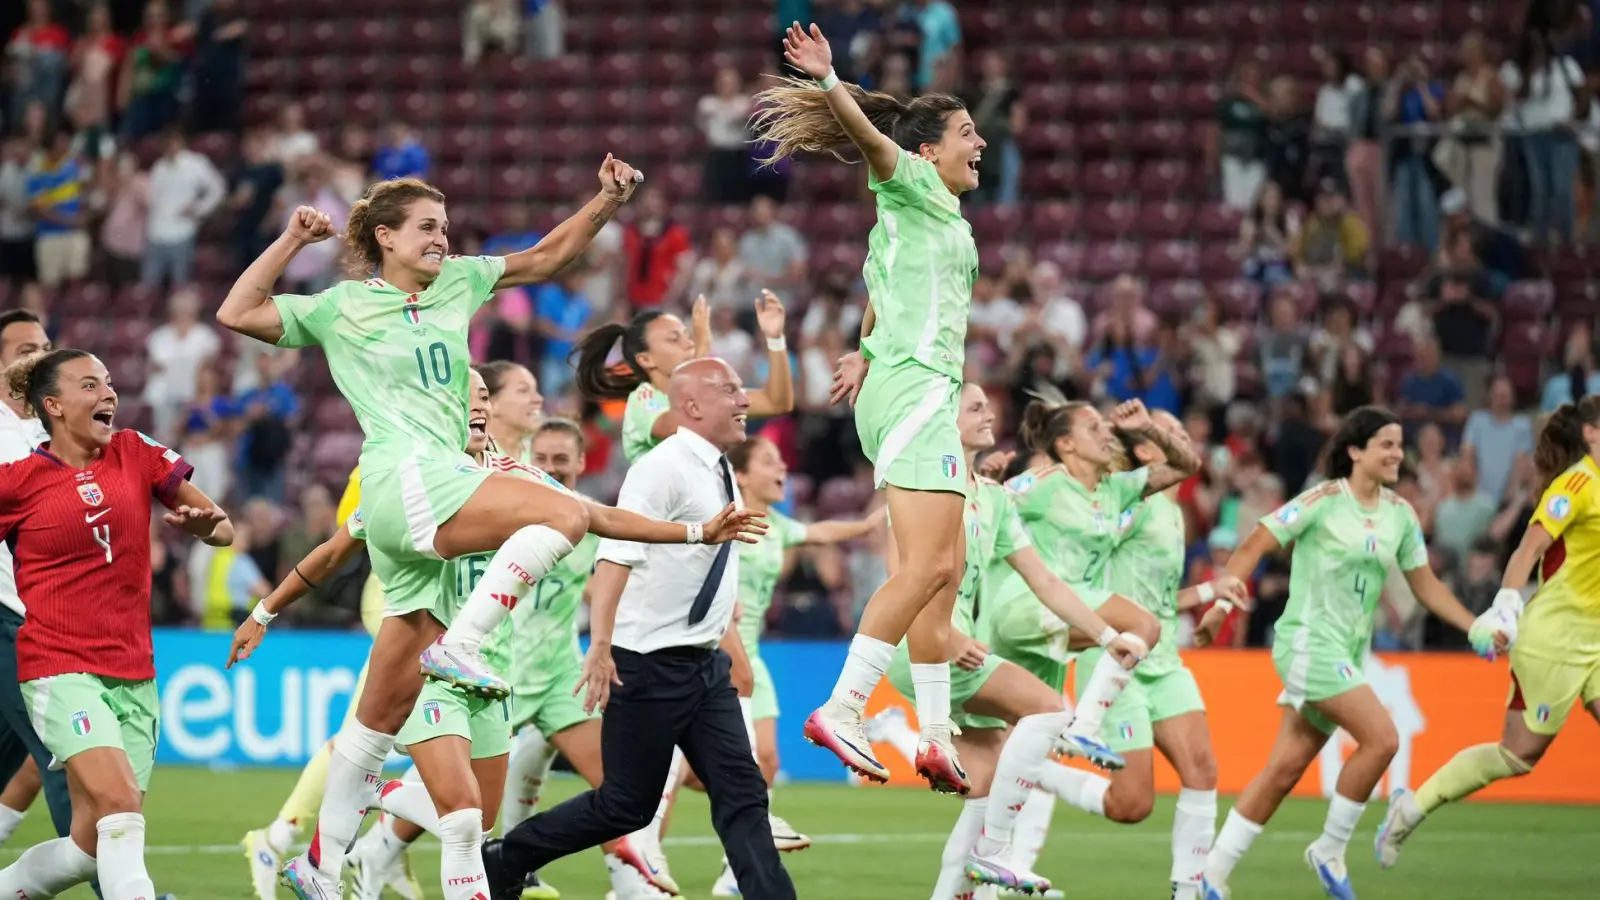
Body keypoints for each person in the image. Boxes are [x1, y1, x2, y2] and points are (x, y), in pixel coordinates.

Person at [211, 159, 752, 899]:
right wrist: (292, 241)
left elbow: (547, 256)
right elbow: (238, 312)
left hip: (435, 505)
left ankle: (320, 861)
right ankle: (461, 647)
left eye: (445, 225)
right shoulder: (342, 306)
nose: (443, 238)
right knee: (561, 510)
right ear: (384, 237)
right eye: (427, 227)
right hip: (404, 478)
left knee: (380, 715)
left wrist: (606, 199)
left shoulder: (459, 282)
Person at [231, 370, 764, 900]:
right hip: (427, 667)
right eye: (466, 397)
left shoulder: (516, 482)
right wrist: (263, 612)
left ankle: (370, 792)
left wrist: (696, 532)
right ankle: (356, 811)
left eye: (484, 396)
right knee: (462, 821)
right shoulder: (409, 485)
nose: (478, 406)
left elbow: (597, 515)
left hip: (490, 671)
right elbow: (330, 555)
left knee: (479, 820)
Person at [750, 21, 986, 790]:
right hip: (915, 390)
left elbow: (885, 293)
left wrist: (862, 348)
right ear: (929, 150)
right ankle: (843, 708)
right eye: (967, 132)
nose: (980, 143)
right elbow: (873, 143)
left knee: (943, 569)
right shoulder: (909, 181)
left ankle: (936, 735)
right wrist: (828, 80)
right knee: (926, 567)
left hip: (913, 384)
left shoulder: (933, 219)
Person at [482, 359, 798, 900]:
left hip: (704, 665)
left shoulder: (718, 466)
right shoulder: (661, 468)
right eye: (729, 390)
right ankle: (505, 859)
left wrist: (726, 627)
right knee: (626, 806)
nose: (744, 399)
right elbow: (615, 556)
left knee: (744, 795)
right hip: (649, 666)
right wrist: (601, 645)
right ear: (692, 405)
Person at [1193, 406, 1506, 900]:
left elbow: (1424, 584)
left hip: (1347, 654)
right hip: (1307, 643)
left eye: (1400, 445)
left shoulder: (1400, 515)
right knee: (1382, 738)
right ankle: (1330, 849)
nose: (1397, 454)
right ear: (1356, 450)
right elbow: (1254, 544)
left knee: (1283, 770)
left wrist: (1474, 626)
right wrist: (1221, 603)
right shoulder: (1322, 500)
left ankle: (1209, 875)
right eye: (1386, 444)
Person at [875, 384, 1151, 895]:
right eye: (975, 407)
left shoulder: (994, 497)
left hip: (956, 647)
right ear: (945, 421)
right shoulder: (921, 486)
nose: (990, 413)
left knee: (983, 788)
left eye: (988, 405)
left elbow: (1044, 580)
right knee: (1048, 709)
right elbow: (901, 578)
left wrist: (1105, 634)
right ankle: (997, 850)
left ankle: (963, 879)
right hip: (925, 644)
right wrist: (947, 635)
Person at [0, 348, 234, 900]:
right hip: (58, 669)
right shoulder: (17, 482)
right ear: (54, 406)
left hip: (134, 674)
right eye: (89, 385)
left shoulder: (136, 451)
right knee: (121, 804)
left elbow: (223, 529)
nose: (108, 393)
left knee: (89, 845)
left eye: (108, 382)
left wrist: (205, 527)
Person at [1027, 410, 1242, 900]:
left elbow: (1157, 605)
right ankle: (1033, 767)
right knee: (1133, 805)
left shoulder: (1172, 511)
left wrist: (1207, 592)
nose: (1181, 438)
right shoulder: (1130, 505)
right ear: (1146, 450)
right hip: (1116, 660)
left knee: (1203, 770)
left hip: (1163, 659)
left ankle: (1189, 891)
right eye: (1171, 433)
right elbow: (1085, 562)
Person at [1375, 398, 1597, 867]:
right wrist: (1506, 607)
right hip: (1555, 641)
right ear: (1591, 434)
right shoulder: (1577, 485)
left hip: (1596, 641)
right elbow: (1527, 550)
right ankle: (1410, 810)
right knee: (1517, 755)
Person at [705, 434, 886, 895]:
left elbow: (820, 533)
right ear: (741, 476)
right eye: (769, 461)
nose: (781, 468)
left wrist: (868, 523)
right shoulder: (723, 519)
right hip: (716, 650)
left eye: (782, 461)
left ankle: (735, 866)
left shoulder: (778, 525)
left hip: (753, 656)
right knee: (715, 768)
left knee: (767, 759)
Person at [0, 311, 74, 854]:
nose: (40, 357)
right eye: (26, 349)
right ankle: (117, 887)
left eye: (45, 347)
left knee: (28, 755)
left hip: (41, 617)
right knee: (66, 753)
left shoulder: (46, 431)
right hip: (11, 619)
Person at [573, 291, 793, 464]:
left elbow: (776, 402)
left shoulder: (708, 396)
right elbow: (679, 425)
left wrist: (775, 340)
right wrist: (701, 355)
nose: (689, 344)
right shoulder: (643, 400)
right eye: (674, 339)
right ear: (646, 359)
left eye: (688, 336)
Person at [478, 360, 544, 463]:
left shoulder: (542, 456)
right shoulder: (475, 457)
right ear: (490, 402)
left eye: (536, 390)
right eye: (523, 390)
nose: (538, 399)